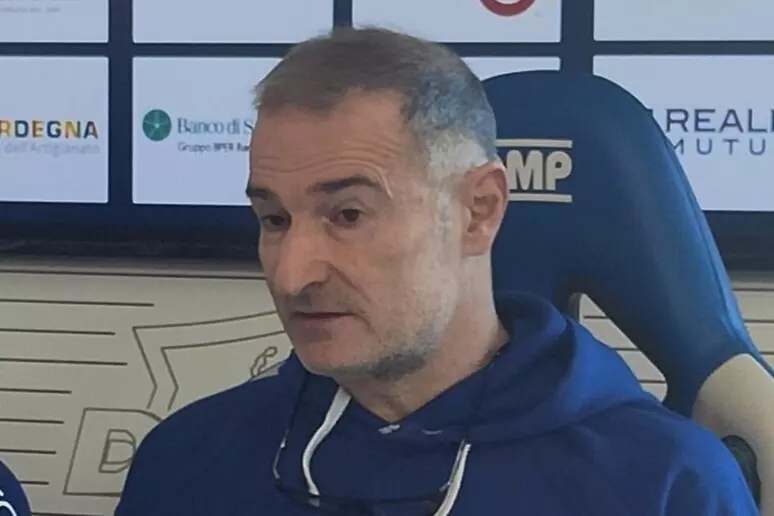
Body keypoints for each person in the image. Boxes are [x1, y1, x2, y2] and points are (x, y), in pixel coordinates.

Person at [114, 27, 759, 515]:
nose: (291, 276)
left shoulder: (666, 483)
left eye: (348, 214)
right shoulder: (186, 463)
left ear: (479, 211)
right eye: (274, 219)